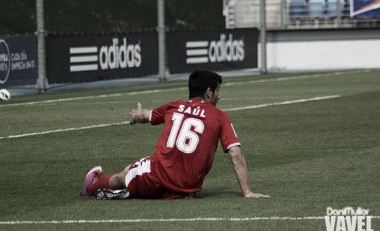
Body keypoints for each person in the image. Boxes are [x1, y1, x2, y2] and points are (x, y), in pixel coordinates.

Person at [80, 70, 270, 200]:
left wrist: (137, 116)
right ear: (209, 92)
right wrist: (247, 192)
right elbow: (235, 154)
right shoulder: (220, 117)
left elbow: (148, 115)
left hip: (156, 177)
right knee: (144, 172)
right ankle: (138, 191)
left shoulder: (174, 106)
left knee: (127, 171)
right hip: (187, 186)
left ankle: (91, 187)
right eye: (218, 91)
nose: (219, 96)